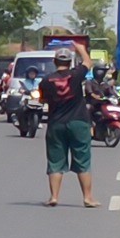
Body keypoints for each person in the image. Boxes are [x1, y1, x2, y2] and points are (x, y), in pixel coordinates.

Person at [36, 47, 97, 210]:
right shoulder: (76, 75)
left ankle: (54, 197)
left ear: (54, 62)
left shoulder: (46, 81)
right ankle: (88, 198)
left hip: (56, 123)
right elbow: (88, 62)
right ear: (70, 62)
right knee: (83, 160)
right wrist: (81, 49)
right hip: (78, 122)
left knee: (55, 161)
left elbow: (42, 99)